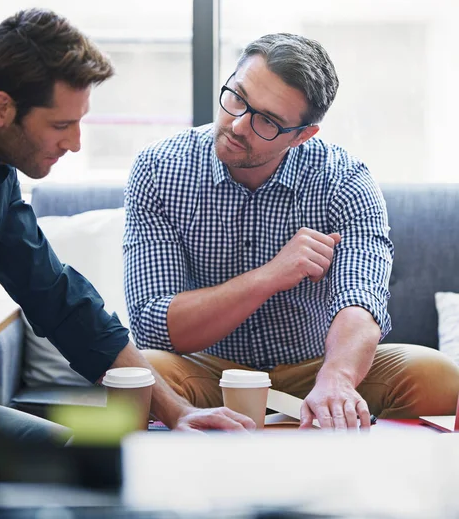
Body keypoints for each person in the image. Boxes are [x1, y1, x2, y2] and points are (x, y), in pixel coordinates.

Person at [0, 8, 255, 444]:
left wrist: (179, 412)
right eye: (61, 125)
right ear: (2, 108)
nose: (75, 142)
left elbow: (58, 298)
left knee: (76, 456)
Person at [124, 33, 459, 430]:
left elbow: (361, 299)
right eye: (236, 96)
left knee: (436, 374)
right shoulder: (159, 168)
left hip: (315, 366)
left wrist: (337, 378)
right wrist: (270, 276)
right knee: (140, 379)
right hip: (205, 370)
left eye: (266, 121)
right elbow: (152, 323)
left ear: (302, 135)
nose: (237, 124)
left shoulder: (344, 179)